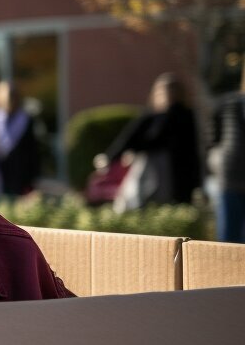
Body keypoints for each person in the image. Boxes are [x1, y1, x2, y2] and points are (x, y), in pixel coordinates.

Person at [105, 73, 201, 211]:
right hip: (159, 173)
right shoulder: (154, 117)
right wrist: (112, 157)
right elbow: (129, 138)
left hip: (176, 173)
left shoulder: (184, 116)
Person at [0, 81, 41, 199]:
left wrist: (32, 179)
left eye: (12, 96)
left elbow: (33, 151)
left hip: (20, 177)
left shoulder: (26, 120)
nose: (9, 100)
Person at [210, 70, 245, 242]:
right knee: (229, 236)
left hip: (229, 173)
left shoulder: (226, 103)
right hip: (230, 174)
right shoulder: (228, 103)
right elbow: (212, 139)